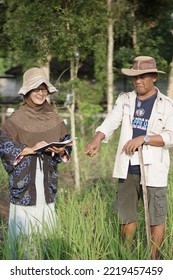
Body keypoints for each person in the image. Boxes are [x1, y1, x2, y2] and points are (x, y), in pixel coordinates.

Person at [85, 56, 173, 260]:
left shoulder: (167, 104)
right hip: (127, 165)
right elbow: (111, 120)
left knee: (156, 214)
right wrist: (97, 138)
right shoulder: (125, 99)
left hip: (154, 168)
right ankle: (127, 255)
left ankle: (154, 259)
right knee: (126, 214)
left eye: (142, 76)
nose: (137, 81)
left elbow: (170, 136)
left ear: (153, 77)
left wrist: (145, 138)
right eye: (134, 77)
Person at [0, 67, 72, 259]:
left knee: (46, 222)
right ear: (27, 92)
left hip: (47, 180)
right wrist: (31, 149)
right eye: (36, 89)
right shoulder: (17, 118)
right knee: (24, 227)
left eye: (44, 89)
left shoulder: (54, 118)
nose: (41, 93)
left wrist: (61, 149)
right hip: (25, 182)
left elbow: (66, 141)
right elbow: (4, 144)